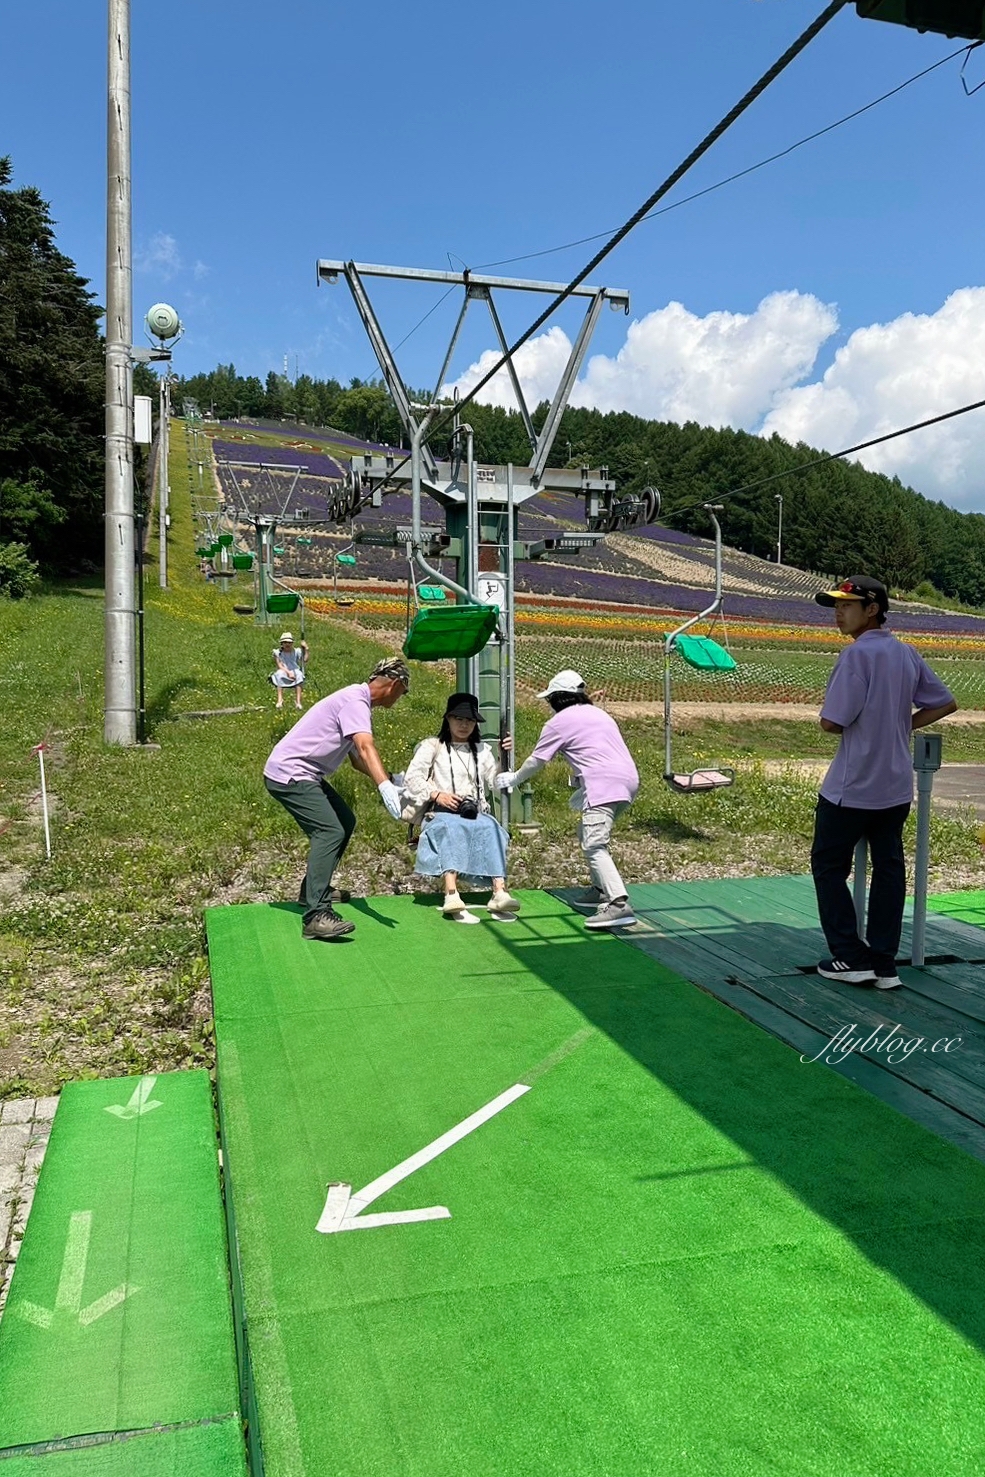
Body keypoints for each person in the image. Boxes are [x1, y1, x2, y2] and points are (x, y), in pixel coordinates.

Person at [811, 576, 957, 990]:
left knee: (827, 866)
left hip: (851, 786)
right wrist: (901, 727)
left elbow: (831, 722)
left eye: (846, 605)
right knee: (889, 869)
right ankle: (885, 962)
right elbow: (945, 702)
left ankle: (850, 956)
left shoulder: (856, 656)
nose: (838, 612)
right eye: (836, 605)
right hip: (895, 788)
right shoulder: (906, 653)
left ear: (872, 609)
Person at [263, 657, 409, 941]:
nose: (401, 698)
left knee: (344, 819)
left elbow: (357, 760)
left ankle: (313, 891)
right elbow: (366, 748)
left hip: (303, 773)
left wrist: (390, 779)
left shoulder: (357, 702)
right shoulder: (356, 702)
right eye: (403, 693)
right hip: (289, 773)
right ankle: (316, 916)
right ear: (395, 684)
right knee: (329, 830)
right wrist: (384, 788)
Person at [496, 670, 639, 931]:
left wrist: (513, 779)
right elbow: (596, 752)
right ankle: (599, 890)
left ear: (557, 698)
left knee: (595, 844)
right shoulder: (599, 714)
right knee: (586, 832)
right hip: (628, 782)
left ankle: (618, 904)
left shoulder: (559, 722)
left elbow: (536, 760)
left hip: (603, 784)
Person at [403, 693, 520, 924]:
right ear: (447, 719)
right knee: (451, 828)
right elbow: (412, 778)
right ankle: (451, 893)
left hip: (473, 812)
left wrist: (503, 757)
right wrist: (437, 794)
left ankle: (499, 891)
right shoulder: (432, 746)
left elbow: (496, 781)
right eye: (458, 718)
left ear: (476, 723)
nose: (464, 724)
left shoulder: (482, 750)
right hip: (440, 812)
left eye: (469, 720)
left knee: (493, 828)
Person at [270, 631, 309, 711]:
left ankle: (298, 702)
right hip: (283, 669)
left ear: (292, 643)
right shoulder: (278, 653)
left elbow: (304, 660)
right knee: (279, 675)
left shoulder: (297, 651)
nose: (287, 644)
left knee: (299, 675)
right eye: (285, 642)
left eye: (289, 642)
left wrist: (306, 649)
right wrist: (288, 672)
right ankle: (280, 700)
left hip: (294, 669)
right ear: (282, 644)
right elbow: (279, 665)